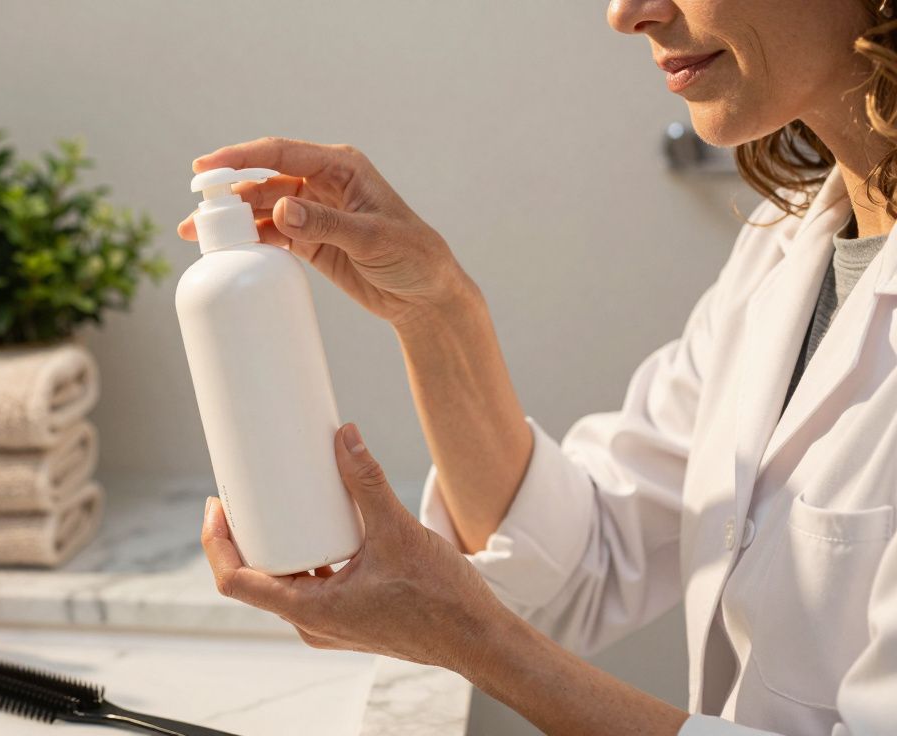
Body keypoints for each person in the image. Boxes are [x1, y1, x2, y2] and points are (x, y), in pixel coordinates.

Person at [180, 1, 897, 734]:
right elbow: (579, 565)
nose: (626, 13)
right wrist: (434, 310)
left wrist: (468, 638)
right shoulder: (787, 248)